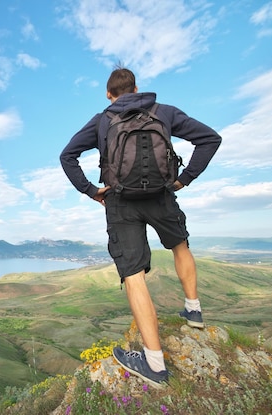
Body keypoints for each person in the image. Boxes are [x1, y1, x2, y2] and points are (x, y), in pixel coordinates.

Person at [59, 67, 221, 388]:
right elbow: (209, 138)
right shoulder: (164, 112)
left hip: (120, 202)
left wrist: (92, 190)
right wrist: (182, 180)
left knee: (134, 276)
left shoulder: (101, 121)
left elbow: (68, 156)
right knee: (179, 246)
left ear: (109, 94)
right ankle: (193, 310)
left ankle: (154, 363)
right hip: (162, 195)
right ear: (136, 88)